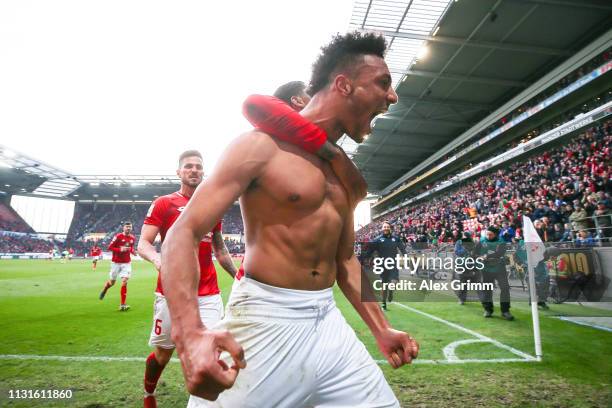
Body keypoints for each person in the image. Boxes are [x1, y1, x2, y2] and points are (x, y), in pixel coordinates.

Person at [162, 31, 418, 407]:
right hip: (264, 319)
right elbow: (182, 233)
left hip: (327, 321)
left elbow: (344, 259)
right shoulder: (259, 147)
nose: (392, 96)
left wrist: (381, 328)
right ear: (344, 85)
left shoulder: (342, 173)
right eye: (383, 84)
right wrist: (190, 335)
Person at [137, 150, 238, 408]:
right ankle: (149, 393)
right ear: (179, 172)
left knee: (212, 351)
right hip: (172, 291)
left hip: (208, 292)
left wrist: (239, 277)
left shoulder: (212, 205)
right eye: (189, 166)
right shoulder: (164, 203)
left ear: (203, 172)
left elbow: (219, 249)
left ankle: (204, 403)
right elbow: (144, 244)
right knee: (163, 353)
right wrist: (160, 262)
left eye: (198, 167)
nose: (194, 170)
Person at [475, 226, 514, 320]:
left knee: (505, 288)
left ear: (495, 234)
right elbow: (475, 253)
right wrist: (479, 257)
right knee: (487, 289)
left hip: (499, 268)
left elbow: (499, 253)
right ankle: (488, 309)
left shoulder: (501, 242)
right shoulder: (482, 241)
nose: (488, 236)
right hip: (486, 269)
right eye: (487, 234)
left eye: (490, 234)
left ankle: (505, 311)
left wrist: (486, 256)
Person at [365, 222, 406, 310]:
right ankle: (383, 303)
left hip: (393, 264)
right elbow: (370, 250)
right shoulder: (377, 240)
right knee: (384, 285)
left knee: (394, 282)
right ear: (382, 229)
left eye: (387, 227)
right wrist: (367, 258)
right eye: (384, 227)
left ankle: (391, 292)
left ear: (390, 228)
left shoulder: (396, 239)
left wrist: (405, 255)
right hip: (383, 265)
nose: (386, 228)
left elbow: (402, 248)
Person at [99, 222, 135, 311]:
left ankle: (122, 304)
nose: (128, 229)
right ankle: (105, 289)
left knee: (125, 281)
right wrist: (120, 249)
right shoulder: (118, 237)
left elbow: (130, 247)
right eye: (127, 227)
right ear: (123, 228)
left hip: (126, 263)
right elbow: (109, 247)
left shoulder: (132, 238)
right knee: (112, 283)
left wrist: (133, 252)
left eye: (130, 227)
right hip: (116, 262)